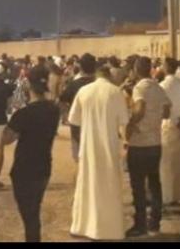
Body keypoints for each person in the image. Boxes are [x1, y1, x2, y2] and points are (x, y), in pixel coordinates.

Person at [68, 62, 131, 241]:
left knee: (87, 184)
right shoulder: (116, 92)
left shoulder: (84, 91)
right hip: (109, 146)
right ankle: (110, 230)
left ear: (96, 75)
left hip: (88, 146)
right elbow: (124, 121)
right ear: (109, 75)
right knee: (109, 186)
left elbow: (74, 120)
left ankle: (83, 226)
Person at [2, 65, 60, 242]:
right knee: (33, 211)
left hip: (24, 169)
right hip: (43, 166)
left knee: (29, 216)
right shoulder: (53, 110)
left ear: (28, 84)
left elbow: (6, 139)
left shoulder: (24, 113)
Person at [124, 57, 172, 237]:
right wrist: (155, 119)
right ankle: (155, 224)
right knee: (154, 184)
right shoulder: (158, 88)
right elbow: (167, 111)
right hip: (155, 143)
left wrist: (131, 124)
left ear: (136, 70)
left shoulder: (140, 88)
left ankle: (140, 224)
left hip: (139, 143)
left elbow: (140, 108)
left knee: (138, 187)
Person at [159, 58, 180, 206]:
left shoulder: (162, 86)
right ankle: (179, 194)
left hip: (167, 125)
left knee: (166, 163)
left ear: (166, 68)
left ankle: (167, 195)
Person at [60, 53, 98, 163]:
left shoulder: (74, 84)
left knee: (80, 158)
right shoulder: (101, 84)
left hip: (78, 124)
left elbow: (62, 100)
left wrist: (68, 113)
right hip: (97, 124)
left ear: (80, 67)